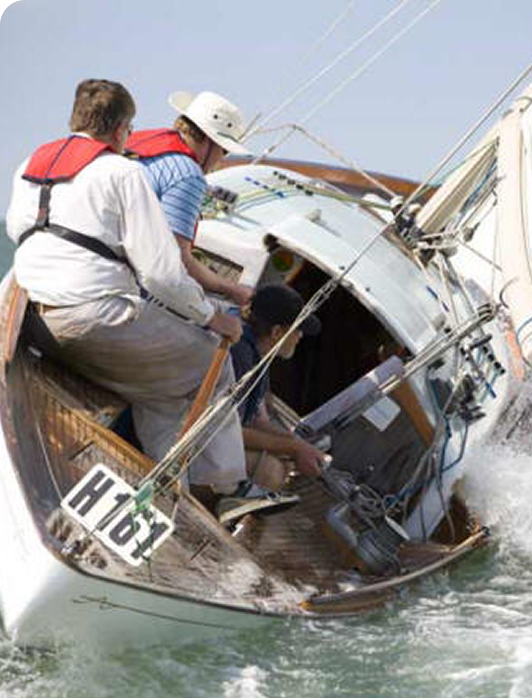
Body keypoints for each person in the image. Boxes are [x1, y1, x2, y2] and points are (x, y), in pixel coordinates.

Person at [6, 78, 247, 494]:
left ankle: (171, 486)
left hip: (27, 314)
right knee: (210, 362)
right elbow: (163, 272)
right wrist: (212, 318)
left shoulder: (32, 162)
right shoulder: (122, 172)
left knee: (160, 384)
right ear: (121, 129)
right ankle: (222, 491)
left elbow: (16, 230)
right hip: (91, 320)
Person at [125, 90, 253, 306]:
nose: (221, 160)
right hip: (113, 285)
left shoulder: (137, 142)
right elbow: (176, 260)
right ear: (211, 141)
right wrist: (230, 288)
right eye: (224, 152)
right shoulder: (188, 173)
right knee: (211, 336)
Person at [230, 284, 328, 494]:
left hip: (216, 433)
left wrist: (295, 445)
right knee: (271, 472)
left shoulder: (257, 354)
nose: (300, 336)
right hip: (190, 436)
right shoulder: (240, 356)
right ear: (276, 332)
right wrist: (294, 448)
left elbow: (257, 420)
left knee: (284, 461)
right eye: (297, 330)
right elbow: (226, 431)